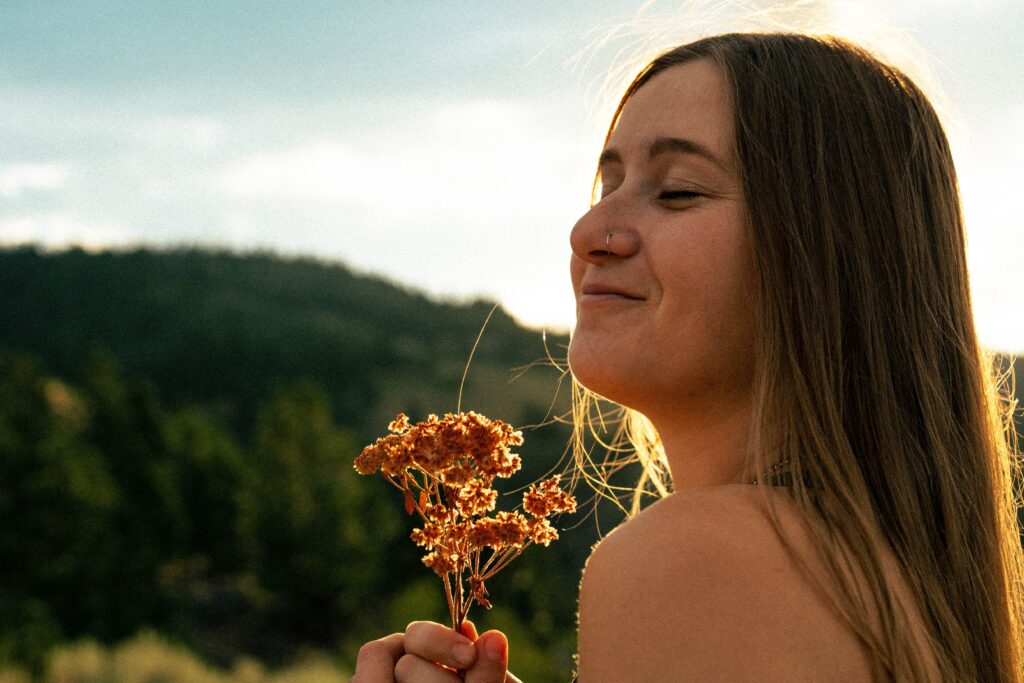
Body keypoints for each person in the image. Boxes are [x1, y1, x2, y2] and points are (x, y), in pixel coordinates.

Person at [352, 32, 1024, 682]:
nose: (589, 233)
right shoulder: (898, 582)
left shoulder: (703, 559)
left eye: (677, 191)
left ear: (827, 259)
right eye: (605, 187)